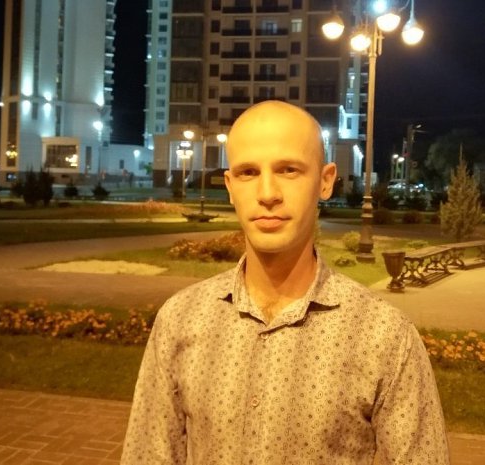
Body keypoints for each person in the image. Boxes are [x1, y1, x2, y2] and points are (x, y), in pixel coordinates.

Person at [121, 101, 449, 464]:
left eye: (288, 170)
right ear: (229, 186)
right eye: (248, 172)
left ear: (325, 181)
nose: (267, 193)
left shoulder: (384, 336)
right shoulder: (180, 319)